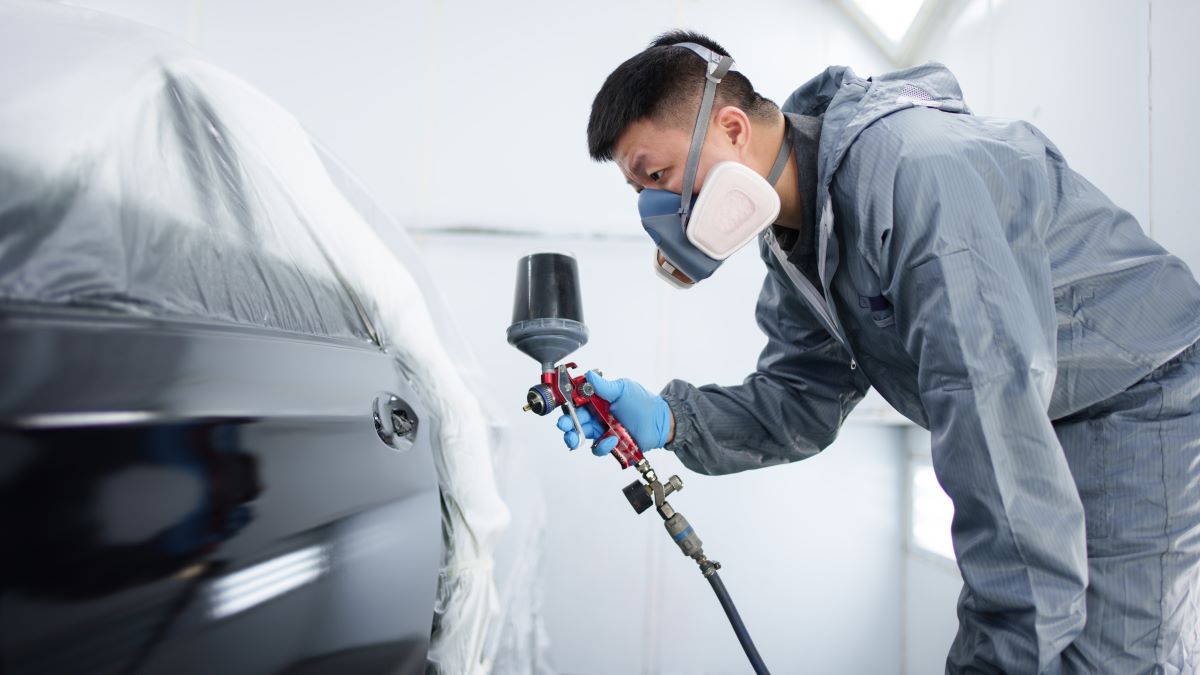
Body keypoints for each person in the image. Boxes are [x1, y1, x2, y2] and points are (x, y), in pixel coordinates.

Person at [560, 30, 1200, 674]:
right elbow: (800, 402)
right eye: (638, 190)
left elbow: (989, 412)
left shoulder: (913, 174)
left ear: (731, 130)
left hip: (1138, 396)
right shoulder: (796, 238)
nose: (654, 208)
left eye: (657, 175)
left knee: (1106, 662)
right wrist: (671, 420)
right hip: (1050, 409)